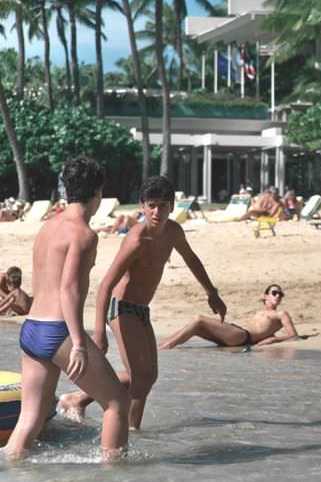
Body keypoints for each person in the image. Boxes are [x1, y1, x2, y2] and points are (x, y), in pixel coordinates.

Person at [57, 175, 227, 430]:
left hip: (141, 310)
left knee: (149, 376)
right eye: (152, 205)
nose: (157, 211)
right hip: (121, 308)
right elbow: (106, 285)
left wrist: (211, 292)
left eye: (163, 205)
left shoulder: (173, 232)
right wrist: (99, 332)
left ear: (172, 207)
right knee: (140, 378)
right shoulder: (137, 239)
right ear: (143, 206)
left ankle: (78, 398)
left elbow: (192, 260)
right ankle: (131, 432)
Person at [4, 156, 130, 462]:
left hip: (32, 328)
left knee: (29, 419)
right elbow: (69, 290)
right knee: (117, 403)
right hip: (58, 330)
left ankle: (9, 469)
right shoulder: (83, 234)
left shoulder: (49, 226)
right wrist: (78, 344)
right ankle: (115, 471)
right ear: (98, 192)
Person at [159, 284, 298, 349]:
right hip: (237, 333)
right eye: (274, 293)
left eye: (280, 294)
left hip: (243, 336)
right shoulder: (260, 312)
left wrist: (273, 340)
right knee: (195, 328)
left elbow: (294, 336)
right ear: (266, 295)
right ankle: (161, 345)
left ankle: (167, 346)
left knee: (198, 319)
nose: (278, 296)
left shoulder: (281, 314)